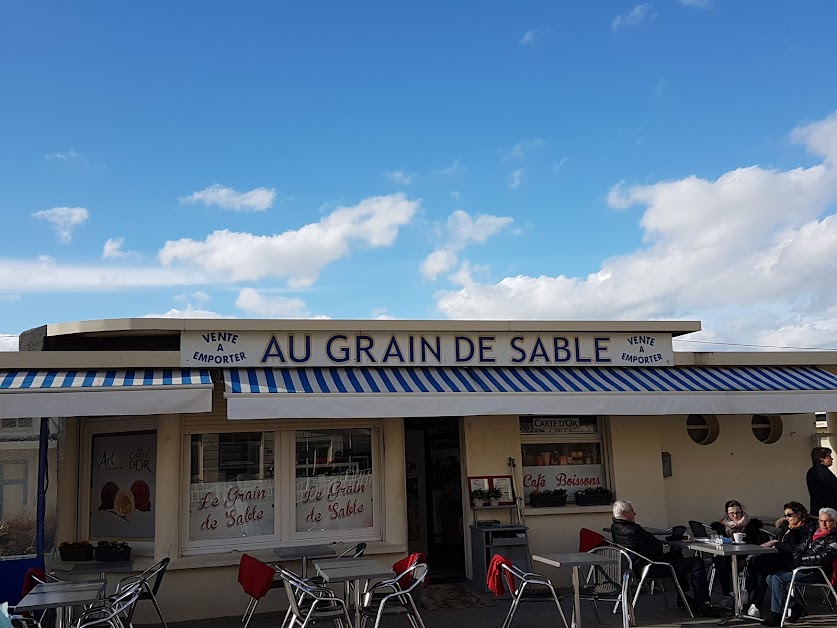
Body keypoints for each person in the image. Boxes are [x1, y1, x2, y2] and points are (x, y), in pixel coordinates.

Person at [610, 500, 720, 617]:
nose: (635, 513)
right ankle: (701, 603)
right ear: (623, 513)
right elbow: (657, 546)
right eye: (632, 511)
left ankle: (683, 597)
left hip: (637, 566)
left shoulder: (615, 527)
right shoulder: (634, 530)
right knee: (697, 562)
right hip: (651, 567)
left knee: (677, 555)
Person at [762, 507, 837, 626]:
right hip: (804, 569)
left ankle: (776, 615)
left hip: (819, 572)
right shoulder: (813, 533)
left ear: (835, 522)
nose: (823, 524)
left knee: (777, 578)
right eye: (821, 521)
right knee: (769, 578)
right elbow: (798, 549)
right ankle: (795, 606)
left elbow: (825, 557)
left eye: (827, 521)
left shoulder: (834, 537)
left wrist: (801, 560)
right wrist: (800, 559)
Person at [743, 501, 816, 618]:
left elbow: (794, 548)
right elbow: (781, 540)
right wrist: (780, 535)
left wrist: (777, 544)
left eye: (789, 515)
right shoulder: (787, 527)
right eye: (785, 515)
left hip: (795, 562)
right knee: (761, 567)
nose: (787, 518)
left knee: (762, 566)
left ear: (799, 514)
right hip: (783, 558)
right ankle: (793, 605)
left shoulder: (807, 529)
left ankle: (753, 600)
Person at [709, 500, 764, 605]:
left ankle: (745, 593)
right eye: (732, 513)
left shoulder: (751, 525)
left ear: (742, 512)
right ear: (727, 514)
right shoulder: (723, 526)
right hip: (729, 557)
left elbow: (754, 544)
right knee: (721, 563)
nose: (735, 515)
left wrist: (742, 557)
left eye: (738, 512)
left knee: (754, 564)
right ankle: (727, 595)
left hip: (747, 556)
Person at [806, 446, 837, 515]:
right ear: (821, 459)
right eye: (829, 456)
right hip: (828, 512)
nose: (832, 458)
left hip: (817, 509)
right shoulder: (823, 472)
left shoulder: (812, 471)